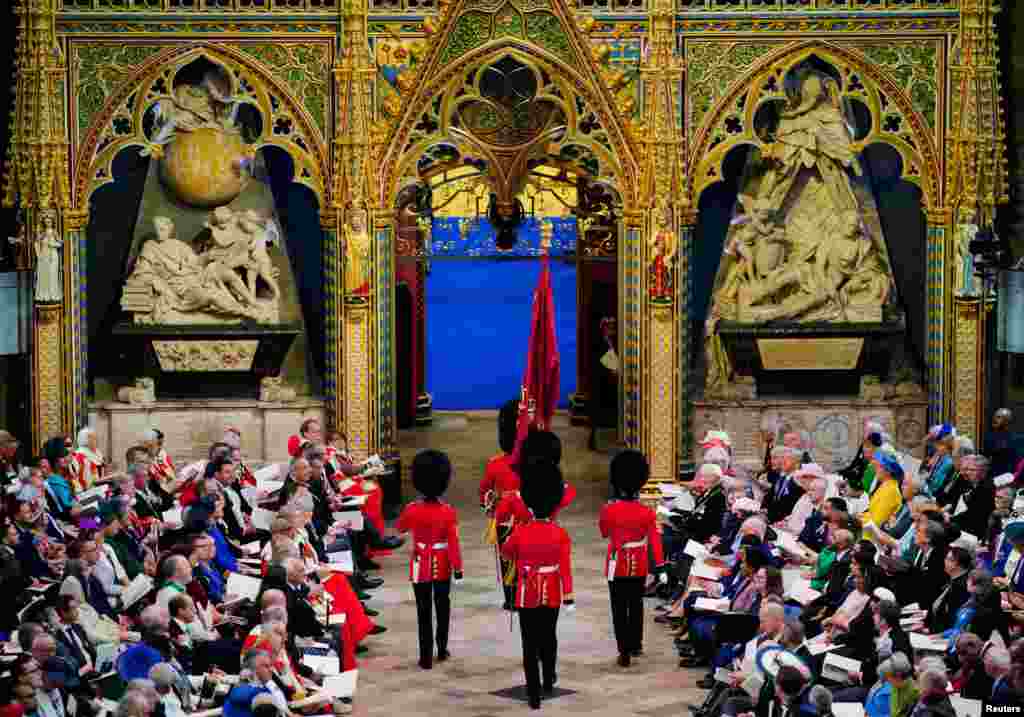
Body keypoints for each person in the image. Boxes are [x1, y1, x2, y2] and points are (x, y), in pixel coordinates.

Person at [500, 461, 574, 710]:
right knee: (549, 635)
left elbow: (506, 553)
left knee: (529, 643)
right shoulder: (560, 533)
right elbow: (565, 567)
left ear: (530, 504)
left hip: (526, 593)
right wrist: (569, 596)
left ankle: (533, 693)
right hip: (551, 591)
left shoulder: (521, 532)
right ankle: (549, 677)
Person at [395, 450, 463, 670]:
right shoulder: (448, 511)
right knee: (443, 607)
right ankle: (441, 649)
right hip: (442, 563)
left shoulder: (412, 509)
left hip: (419, 563)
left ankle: (425, 657)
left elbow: (400, 527)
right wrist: (458, 567)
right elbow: (453, 543)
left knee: (423, 611)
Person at [599, 450, 666, 666]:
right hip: (638, 563)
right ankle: (636, 644)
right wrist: (661, 566)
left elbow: (604, 533)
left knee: (618, 607)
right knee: (636, 604)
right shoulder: (647, 512)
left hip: (616, 562)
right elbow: (655, 541)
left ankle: (623, 649)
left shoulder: (609, 510)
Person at [984, 408, 1018, 477]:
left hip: (1008, 474)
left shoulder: (1015, 438)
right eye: (994, 417)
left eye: (999, 417)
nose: (994, 419)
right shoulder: (989, 437)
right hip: (991, 474)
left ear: (1007, 421)